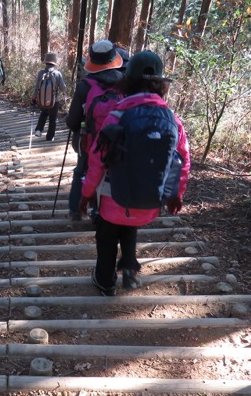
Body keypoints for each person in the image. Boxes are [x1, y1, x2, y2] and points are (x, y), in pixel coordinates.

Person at [80, 50, 191, 296]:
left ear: (127, 81)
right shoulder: (173, 119)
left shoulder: (117, 115)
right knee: (130, 223)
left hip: (113, 196)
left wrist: (86, 193)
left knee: (107, 236)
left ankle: (105, 281)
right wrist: (176, 195)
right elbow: (183, 161)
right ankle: (130, 267)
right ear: (161, 84)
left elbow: (97, 160)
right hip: (149, 202)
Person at [65, 40, 124, 221]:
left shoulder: (86, 85)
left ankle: (75, 210)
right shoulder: (124, 82)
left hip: (88, 141)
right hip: (116, 141)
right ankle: (99, 214)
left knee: (81, 171)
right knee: (109, 174)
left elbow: (72, 121)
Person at [31, 52, 67, 141]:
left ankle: (38, 130)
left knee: (43, 114)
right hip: (54, 100)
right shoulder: (58, 74)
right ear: (54, 63)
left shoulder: (41, 73)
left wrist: (34, 97)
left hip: (42, 99)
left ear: (46, 62)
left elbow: (37, 87)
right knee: (53, 119)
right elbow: (63, 89)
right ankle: (50, 137)